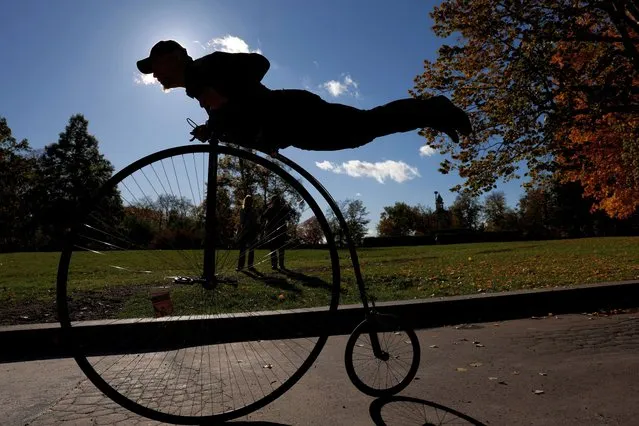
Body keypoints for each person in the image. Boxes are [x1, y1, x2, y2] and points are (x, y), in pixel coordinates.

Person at [136, 40, 472, 154]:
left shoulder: (207, 68)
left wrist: (228, 102)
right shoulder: (199, 88)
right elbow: (238, 110)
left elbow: (258, 64)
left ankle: (434, 109)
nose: (154, 74)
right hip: (294, 129)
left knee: (368, 124)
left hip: (296, 114)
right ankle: (431, 113)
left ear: (176, 57)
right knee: (367, 129)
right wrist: (213, 128)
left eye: (156, 65)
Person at [261, 195, 293, 270]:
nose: (276, 202)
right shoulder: (270, 209)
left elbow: (288, 217)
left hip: (280, 232)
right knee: (275, 249)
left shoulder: (282, 209)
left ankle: (279, 265)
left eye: (276, 201)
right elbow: (263, 217)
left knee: (278, 249)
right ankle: (277, 265)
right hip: (273, 232)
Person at [236, 194, 258, 271]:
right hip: (244, 231)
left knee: (251, 249)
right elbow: (242, 221)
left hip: (252, 231)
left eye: (250, 201)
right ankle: (240, 266)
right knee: (242, 249)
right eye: (248, 200)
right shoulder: (242, 210)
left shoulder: (253, 210)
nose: (249, 202)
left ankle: (250, 266)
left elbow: (255, 220)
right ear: (246, 201)